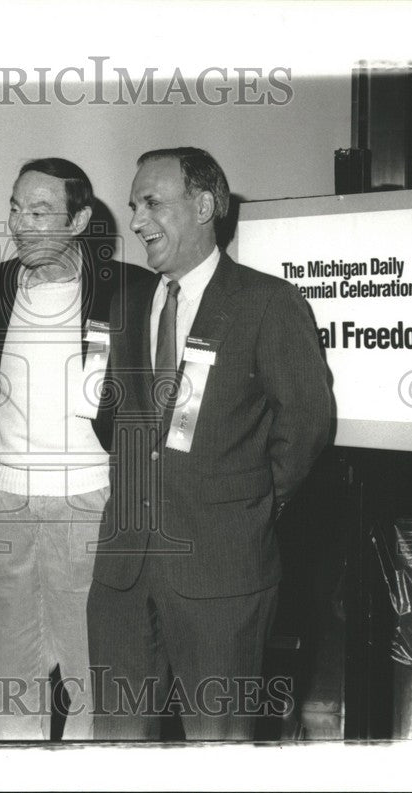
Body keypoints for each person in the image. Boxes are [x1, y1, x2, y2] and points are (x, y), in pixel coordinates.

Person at [87, 147, 333, 740]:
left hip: (222, 572)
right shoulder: (126, 305)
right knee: (117, 743)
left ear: (203, 206)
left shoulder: (267, 303)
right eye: (133, 207)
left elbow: (307, 425)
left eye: (152, 204)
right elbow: (110, 417)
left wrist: (246, 508)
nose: (138, 221)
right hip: (123, 570)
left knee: (217, 745)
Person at [0, 157, 148, 740]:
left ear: (80, 218)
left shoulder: (130, 289)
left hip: (89, 502)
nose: (21, 224)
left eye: (39, 211)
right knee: (12, 668)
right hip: (1, 505)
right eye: (15, 208)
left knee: (93, 672)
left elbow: (146, 403)